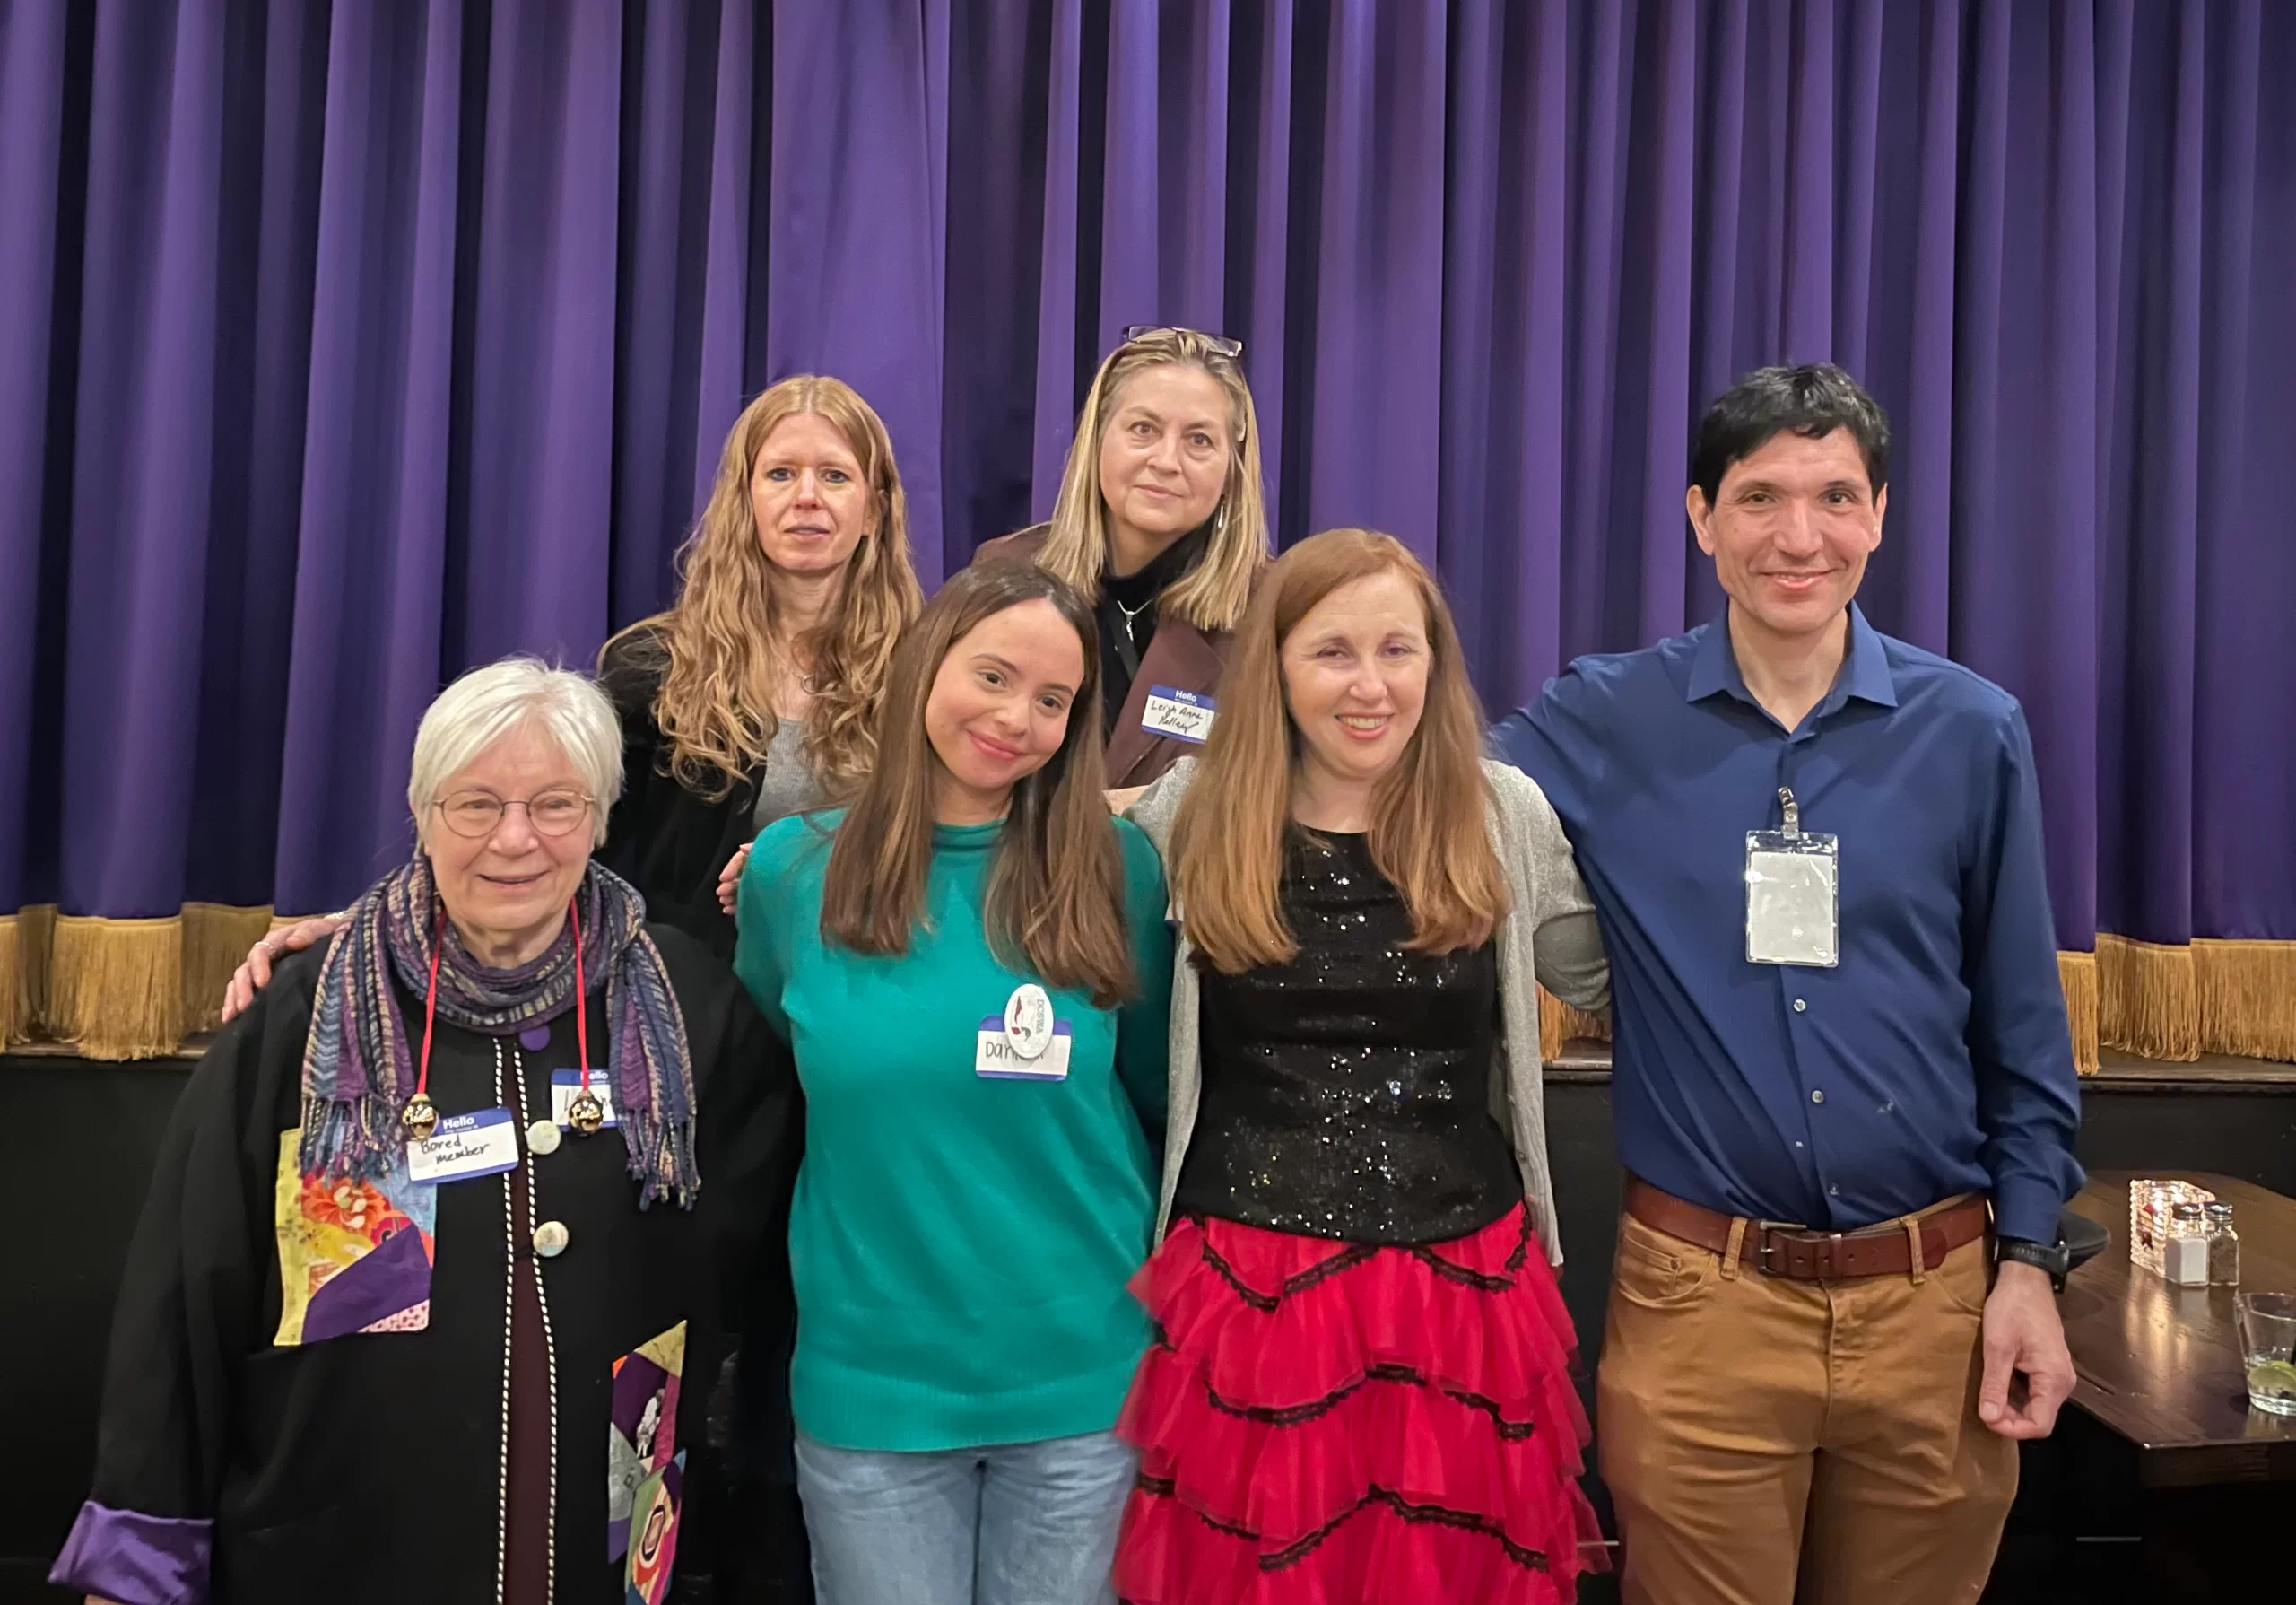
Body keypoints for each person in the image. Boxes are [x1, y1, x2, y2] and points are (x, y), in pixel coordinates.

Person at [1489, 363, 2084, 1605]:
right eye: (1760, 498)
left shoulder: (1971, 730)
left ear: (1880, 515)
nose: (1798, 537)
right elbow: (1408, 788)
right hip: (1700, 1309)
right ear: (1701, 518)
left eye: (1834, 497)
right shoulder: (1601, 716)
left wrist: (2028, 1265)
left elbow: (2023, 1027)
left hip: (1935, 1308)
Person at [50, 659, 795, 1605]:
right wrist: (139, 1564)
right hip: (343, 1540)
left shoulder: (688, 1008)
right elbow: (187, 1299)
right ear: (421, 813)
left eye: (555, 804)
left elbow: (758, 1263)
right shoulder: (312, 1016)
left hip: (603, 1537)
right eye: (475, 804)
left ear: (601, 817)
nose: (515, 839)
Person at [1114, 529, 1612, 1605]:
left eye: (1397, 650)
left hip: (1460, 1288)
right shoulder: (1191, 810)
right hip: (1250, 1287)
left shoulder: (1499, 812)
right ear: (1275, 667)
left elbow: (1614, 977)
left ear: (1435, 662)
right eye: (1332, 652)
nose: (1370, 685)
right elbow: (1049, 899)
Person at [732, 559, 1173, 1605]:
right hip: (873, 1393)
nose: (1016, 718)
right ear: (928, 663)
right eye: (993, 676)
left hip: (1082, 1385)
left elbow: (1160, 1095)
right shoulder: (790, 872)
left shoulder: (1116, 866)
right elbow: (766, 1084)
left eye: (1053, 700)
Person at [222, 371, 924, 999]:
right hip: (689, 1005)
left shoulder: (922, 671)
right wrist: (361, 923)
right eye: (780, 474)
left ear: (875, 507)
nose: (807, 497)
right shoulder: (656, 668)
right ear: (744, 501)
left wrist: (798, 859)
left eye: (835, 476)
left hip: (868, 992)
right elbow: (543, 818)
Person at [977, 325, 1270, 799]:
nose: (1167, 461)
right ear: (1096, 440)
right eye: (1143, 430)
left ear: (1231, 471)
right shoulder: (1005, 572)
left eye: (1199, 440)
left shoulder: (1273, 609)